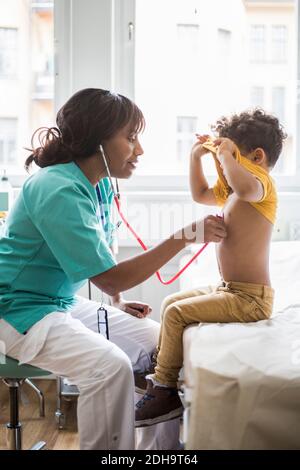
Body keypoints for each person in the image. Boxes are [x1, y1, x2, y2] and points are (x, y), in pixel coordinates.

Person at [0, 88, 227, 450]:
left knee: (164, 347)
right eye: (131, 138)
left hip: (57, 302)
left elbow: (100, 260)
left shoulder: (101, 184)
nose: (139, 151)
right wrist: (183, 236)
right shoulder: (56, 188)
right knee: (109, 369)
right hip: (15, 310)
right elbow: (108, 276)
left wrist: (116, 303)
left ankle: (159, 452)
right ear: (98, 141)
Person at [135, 108, 286, 428]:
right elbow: (201, 194)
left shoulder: (261, 186)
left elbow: (244, 186)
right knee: (170, 303)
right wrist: (197, 158)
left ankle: (164, 390)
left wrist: (227, 153)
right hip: (230, 289)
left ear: (257, 157)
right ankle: (161, 367)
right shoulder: (236, 190)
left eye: (233, 156)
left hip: (252, 299)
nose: (225, 163)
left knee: (176, 315)